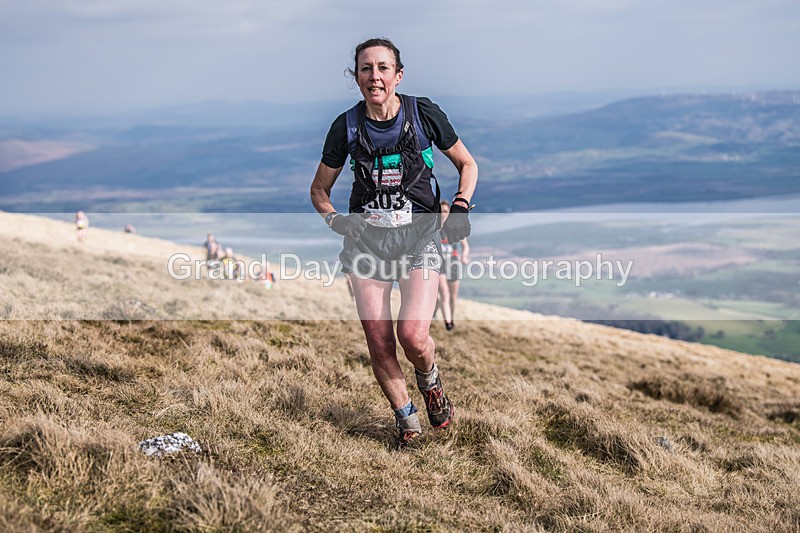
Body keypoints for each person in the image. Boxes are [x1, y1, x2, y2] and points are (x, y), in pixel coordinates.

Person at [309, 38, 478, 449]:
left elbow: (467, 164)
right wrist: (336, 221)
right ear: (356, 77)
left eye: (383, 68)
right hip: (366, 245)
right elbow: (318, 190)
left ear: (398, 75)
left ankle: (430, 381)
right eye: (366, 69)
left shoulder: (423, 114)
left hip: (419, 238)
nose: (375, 76)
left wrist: (459, 207)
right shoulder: (346, 127)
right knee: (379, 340)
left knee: (413, 336)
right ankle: (408, 423)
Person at [436, 200, 470, 331]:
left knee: (452, 297)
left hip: (454, 263)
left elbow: (465, 246)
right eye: (440, 211)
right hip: (439, 264)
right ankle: (448, 324)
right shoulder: (433, 228)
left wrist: (464, 256)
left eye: (445, 211)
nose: (443, 214)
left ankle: (451, 318)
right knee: (444, 293)